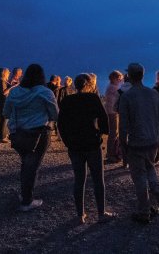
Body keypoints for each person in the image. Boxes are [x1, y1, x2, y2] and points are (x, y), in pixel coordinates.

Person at [58, 74, 116, 224]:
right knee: (98, 179)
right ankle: (101, 213)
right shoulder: (93, 99)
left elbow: (61, 124)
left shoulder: (67, 101)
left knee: (79, 180)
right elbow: (103, 119)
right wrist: (101, 132)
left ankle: (79, 215)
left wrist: (67, 141)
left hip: (75, 145)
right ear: (88, 85)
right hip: (91, 142)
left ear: (75, 85)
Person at [3, 64, 58, 211]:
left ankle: (25, 195)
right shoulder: (45, 93)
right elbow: (55, 114)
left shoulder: (14, 93)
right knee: (32, 167)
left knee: (26, 163)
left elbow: (6, 112)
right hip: (39, 134)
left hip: (19, 134)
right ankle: (27, 201)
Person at [119, 63, 159, 224]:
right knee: (150, 167)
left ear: (129, 76)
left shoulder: (127, 97)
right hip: (152, 141)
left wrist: (123, 144)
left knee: (139, 176)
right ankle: (156, 189)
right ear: (143, 75)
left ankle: (144, 212)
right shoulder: (154, 94)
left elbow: (123, 124)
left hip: (136, 143)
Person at [104, 70, 124, 164]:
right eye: (119, 78)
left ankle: (111, 153)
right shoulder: (113, 88)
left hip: (111, 111)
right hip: (113, 112)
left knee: (113, 133)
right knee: (113, 133)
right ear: (114, 78)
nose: (120, 80)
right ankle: (111, 154)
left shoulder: (110, 87)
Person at [0, 68, 17, 143]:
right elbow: (4, 93)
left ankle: (3, 136)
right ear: (4, 73)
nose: (9, 73)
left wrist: (11, 85)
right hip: (2, 103)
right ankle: (1, 137)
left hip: (3, 102)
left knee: (4, 119)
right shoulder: (1, 81)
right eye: (8, 72)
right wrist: (12, 87)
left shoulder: (3, 81)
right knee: (3, 119)